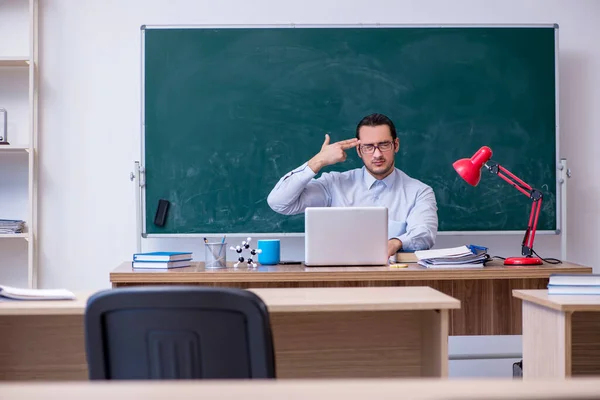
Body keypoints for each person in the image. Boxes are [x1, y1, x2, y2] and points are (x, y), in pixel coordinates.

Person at [267, 113, 438, 257]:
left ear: (396, 145)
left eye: (384, 145)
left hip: (393, 281)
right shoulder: (334, 184)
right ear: (358, 150)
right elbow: (279, 203)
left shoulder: (419, 192)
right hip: (337, 281)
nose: (377, 154)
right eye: (368, 147)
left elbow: (425, 235)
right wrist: (318, 161)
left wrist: (396, 243)